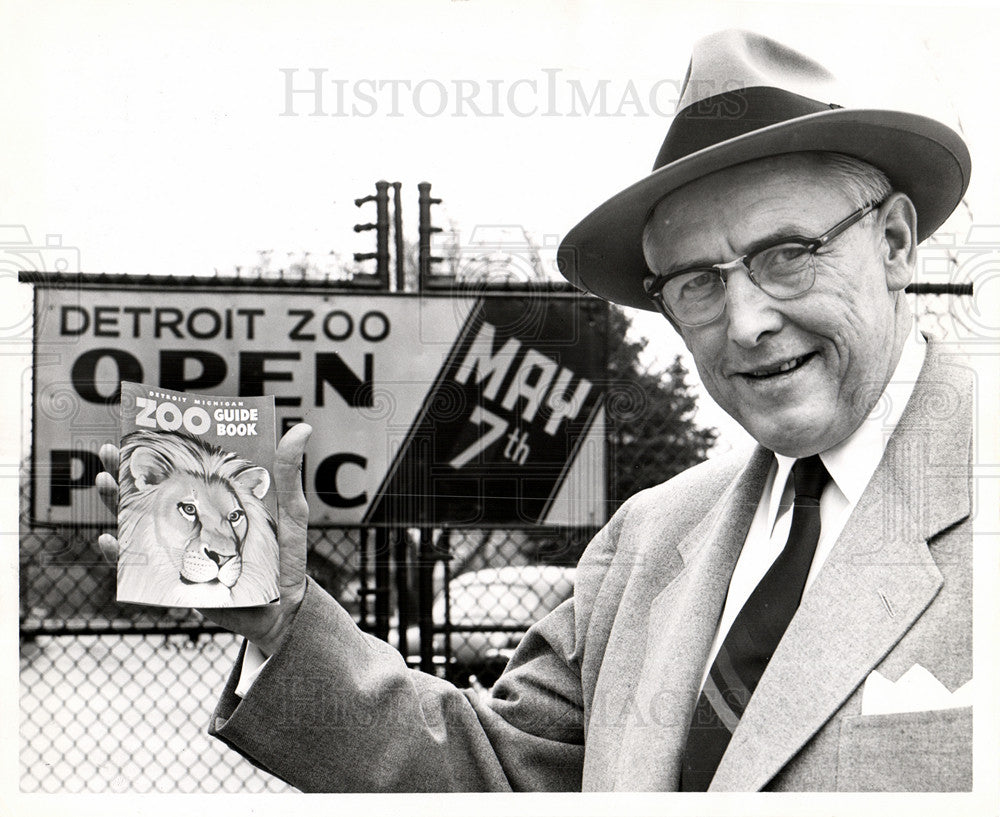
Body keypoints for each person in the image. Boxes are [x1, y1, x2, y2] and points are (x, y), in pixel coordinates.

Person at [97, 29, 974, 792]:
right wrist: (283, 619)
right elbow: (495, 773)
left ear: (894, 242)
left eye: (787, 253)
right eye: (698, 284)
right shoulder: (647, 539)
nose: (745, 322)